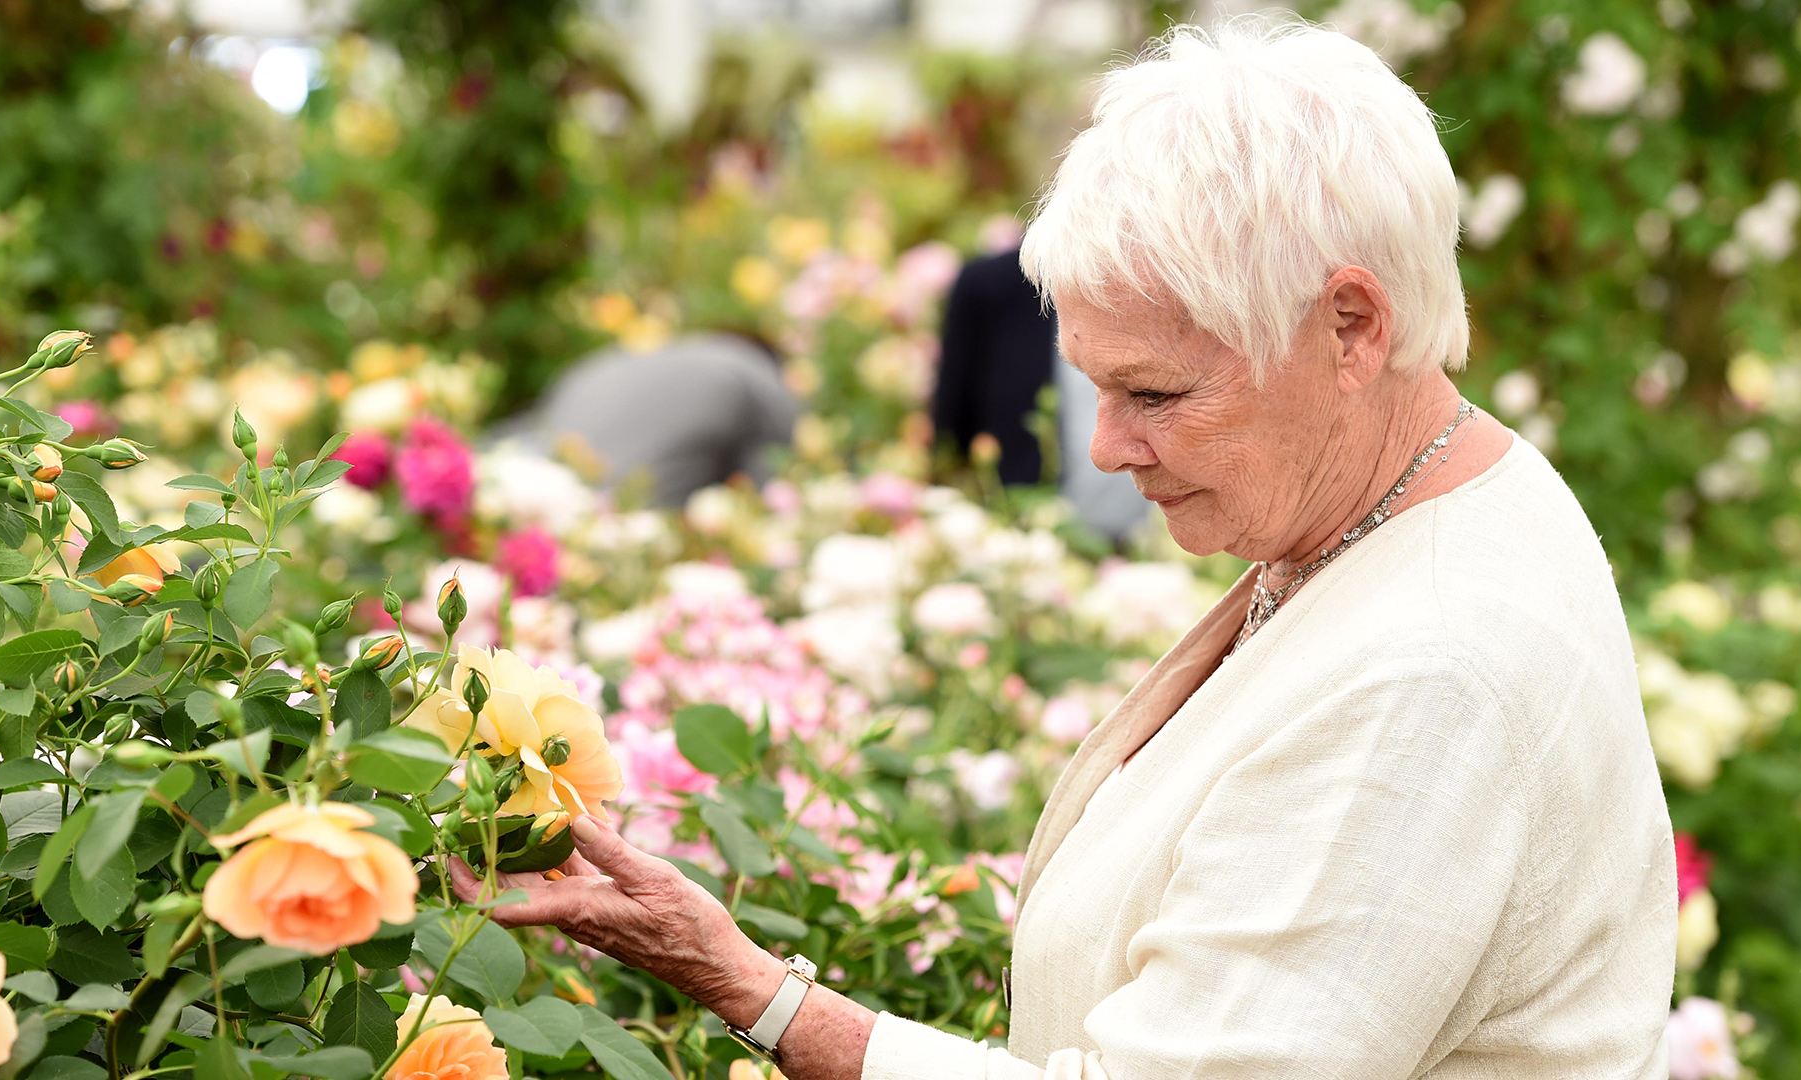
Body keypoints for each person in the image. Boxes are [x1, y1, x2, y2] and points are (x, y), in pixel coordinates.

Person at [452, 17, 1676, 1079]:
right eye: (1097, 388)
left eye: (1157, 394)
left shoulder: (1435, 667)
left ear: (1351, 323)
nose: (1105, 450)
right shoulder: (1411, 499)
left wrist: (759, 993)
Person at [934, 250, 1148, 540]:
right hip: (1021, 538)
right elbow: (950, 434)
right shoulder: (990, 285)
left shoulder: (1180, 274)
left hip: (1162, 541)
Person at [488, 331, 799, 506]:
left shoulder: (609, 361)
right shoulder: (752, 369)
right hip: (627, 528)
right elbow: (778, 479)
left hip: (523, 506)